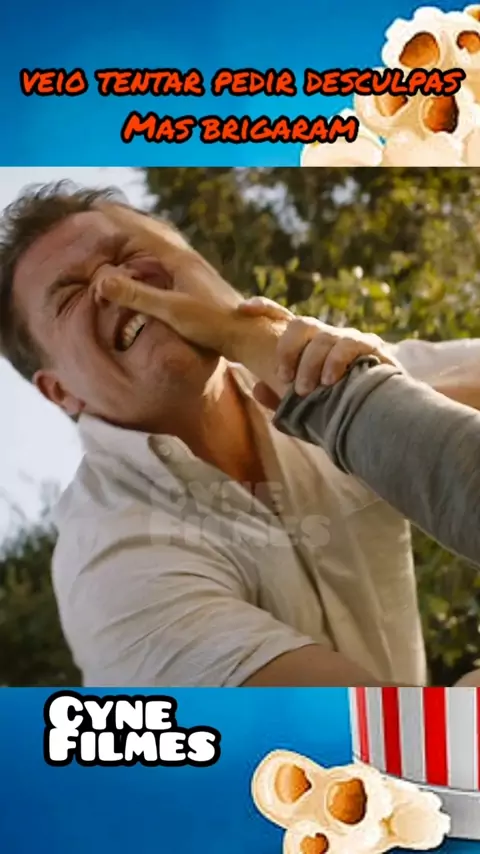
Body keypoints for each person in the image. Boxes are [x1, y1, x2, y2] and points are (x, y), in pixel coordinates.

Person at [1, 181, 480, 688]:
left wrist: (353, 386)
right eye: (71, 296)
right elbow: (371, 736)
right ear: (60, 392)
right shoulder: (110, 567)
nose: (116, 284)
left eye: (127, 254)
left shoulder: (315, 360)